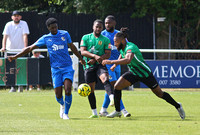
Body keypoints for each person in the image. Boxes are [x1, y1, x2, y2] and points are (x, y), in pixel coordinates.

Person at [8, 17, 86, 120]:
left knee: (67, 90)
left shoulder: (64, 34)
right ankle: (62, 105)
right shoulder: (45, 38)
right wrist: (15, 56)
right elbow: (30, 48)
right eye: (52, 28)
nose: (54, 29)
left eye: (56, 27)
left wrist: (81, 59)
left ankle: (66, 113)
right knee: (58, 95)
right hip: (55, 69)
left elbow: (72, 47)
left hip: (67, 67)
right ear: (48, 28)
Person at [102, 28, 185, 120]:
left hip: (145, 73)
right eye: (114, 41)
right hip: (134, 72)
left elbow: (128, 59)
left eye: (116, 41)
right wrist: (115, 64)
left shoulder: (131, 47)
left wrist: (110, 62)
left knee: (159, 94)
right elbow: (122, 54)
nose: (114, 43)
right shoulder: (121, 47)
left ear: (122, 40)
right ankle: (118, 111)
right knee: (117, 86)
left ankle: (177, 106)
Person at [80, 19, 114, 118]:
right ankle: (94, 113)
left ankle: (112, 98)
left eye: (100, 27)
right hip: (88, 65)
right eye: (96, 27)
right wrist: (94, 57)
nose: (98, 28)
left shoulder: (105, 39)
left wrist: (97, 59)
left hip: (100, 64)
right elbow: (83, 52)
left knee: (105, 79)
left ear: (102, 28)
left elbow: (108, 54)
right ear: (93, 27)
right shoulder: (86, 37)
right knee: (90, 89)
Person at [99, 15, 131, 117]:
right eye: (106, 23)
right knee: (114, 87)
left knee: (112, 89)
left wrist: (118, 61)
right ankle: (122, 110)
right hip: (108, 65)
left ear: (114, 23)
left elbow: (126, 47)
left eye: (109, 23)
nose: (107, 25)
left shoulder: (118, 34)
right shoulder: (102, 35)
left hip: (117, 64)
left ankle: (103, 110)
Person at [1, 11, 30, 92]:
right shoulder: (8, 24)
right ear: (12, 17)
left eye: (18, 16)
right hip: (10, 50)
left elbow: (25, 36)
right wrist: (3, 47)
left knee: (21, 68)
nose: (16, 17)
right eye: (15, 16)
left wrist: (25, 48)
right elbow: (5, 37)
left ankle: (20, 85)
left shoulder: (24, 24)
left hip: (20, 51)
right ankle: (12, 87)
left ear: (20, 17)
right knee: (10, 69)